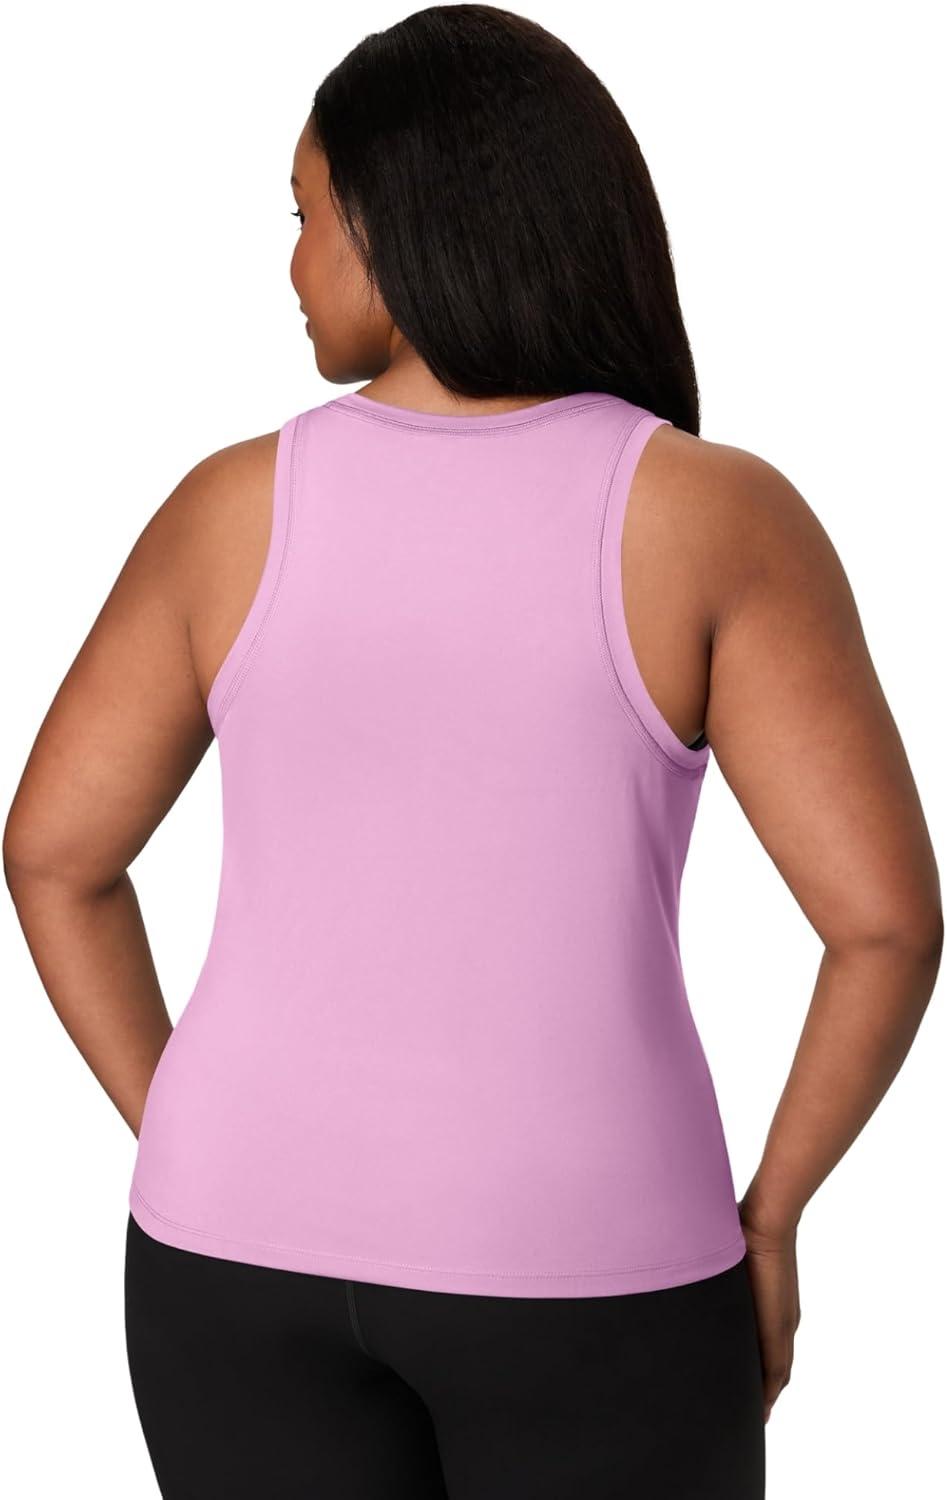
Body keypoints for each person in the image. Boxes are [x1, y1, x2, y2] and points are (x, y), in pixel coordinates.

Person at [4, 6, 941, 1498]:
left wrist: (193, 1131)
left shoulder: (227, 510)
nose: (290, 266)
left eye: (302, 217)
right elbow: (884, 923)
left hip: (229, 1262)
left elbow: (54, 855)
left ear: (392, 225)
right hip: (595, 1269)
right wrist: (770, 1221)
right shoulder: (713, 517)